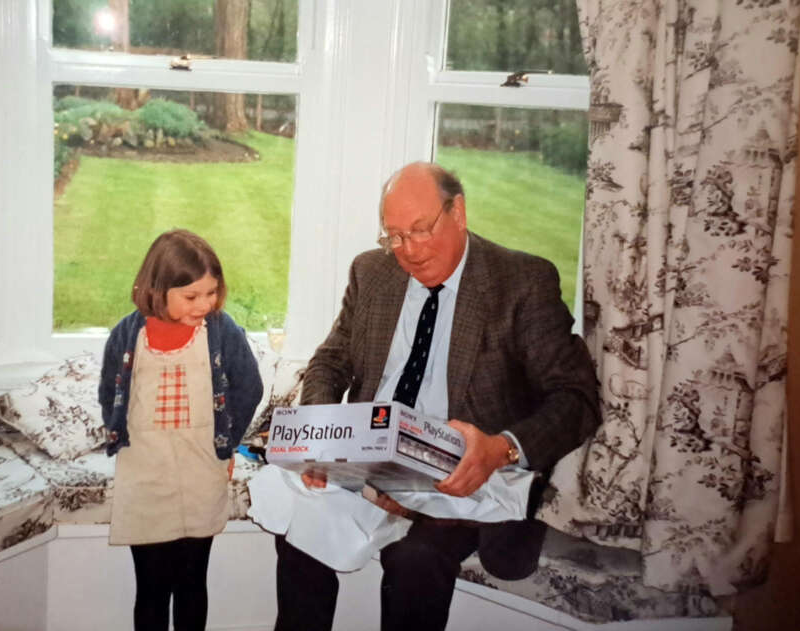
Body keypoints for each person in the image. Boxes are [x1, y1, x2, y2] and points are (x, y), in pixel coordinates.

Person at [273, 162, 600, 631]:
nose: (408, 250)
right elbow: (331, 361)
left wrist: (500, 448)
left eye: (421, 230)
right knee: (299, 534)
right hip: (368, 461)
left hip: (462, 479)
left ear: (459, 212)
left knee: (415, 561)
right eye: (395, 236)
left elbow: (576, 398)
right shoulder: (372, 272)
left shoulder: (522, 282)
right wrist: (321, 440)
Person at [99, 230, 263, 631]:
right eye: (191, 297)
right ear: (158, 289)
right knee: (151, 589)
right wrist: (117, 431)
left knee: (192, 583)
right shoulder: (127, 334)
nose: (204, 305)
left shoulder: (222, 332)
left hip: (201, 471)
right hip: (145, 475)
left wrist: (227, 442)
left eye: (211, 293)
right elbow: (109, 390)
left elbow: (250, 387)